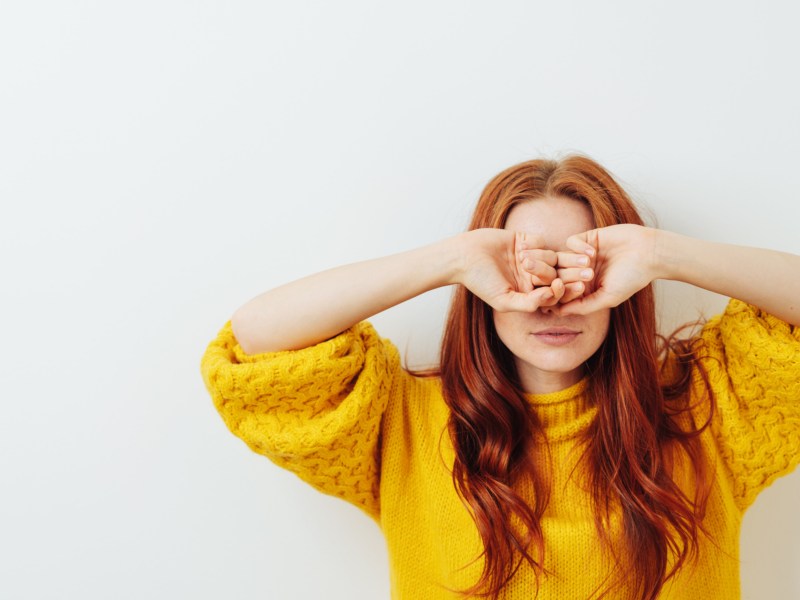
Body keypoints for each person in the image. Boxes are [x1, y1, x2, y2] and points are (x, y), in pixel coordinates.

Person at [199, 155, 800, 600]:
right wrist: (449, 261)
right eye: (526, 268)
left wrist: (664, 254)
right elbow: (257, 342)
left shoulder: (707, 408)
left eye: (577, 268)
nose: (553, 299)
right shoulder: (401, 420)